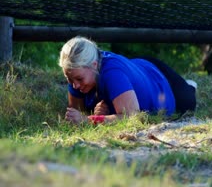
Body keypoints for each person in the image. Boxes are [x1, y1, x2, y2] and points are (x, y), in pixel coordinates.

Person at [59, 36, 197, 125]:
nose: (74, 85)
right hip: (136, 68)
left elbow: (133, 117)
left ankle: (189, 85)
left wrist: (87, 121)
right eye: (69, 79)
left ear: (94, 65)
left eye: (79, 79)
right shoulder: (77, 73)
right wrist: (97, 115)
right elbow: (77, 113)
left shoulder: (112, 74)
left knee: (188, 101)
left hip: (157, 79)